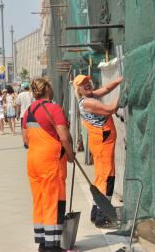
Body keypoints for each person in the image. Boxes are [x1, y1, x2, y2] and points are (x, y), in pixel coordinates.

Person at [22, 78, 75, 252]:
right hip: (50, 162)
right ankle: (52, 247)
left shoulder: (28, 111)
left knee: (39, 201)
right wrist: (69, 154)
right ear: (47, 89)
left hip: (33, 161)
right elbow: (65, 137)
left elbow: (25, 139)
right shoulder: (54, 109)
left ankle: (43, 243)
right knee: (53, 201)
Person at [73, 74, 122, 228]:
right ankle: (103, 216)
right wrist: (125, 91)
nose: (87, 85)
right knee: (107, 178)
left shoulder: (91, 96)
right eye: (83, 84)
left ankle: (96, 212)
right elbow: (111, 109)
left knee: (101, 178)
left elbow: (106, 89)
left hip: (102, 142)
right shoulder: (87, 102)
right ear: (78, 89)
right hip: (103, 143)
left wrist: (120, 81)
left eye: (88, 82)